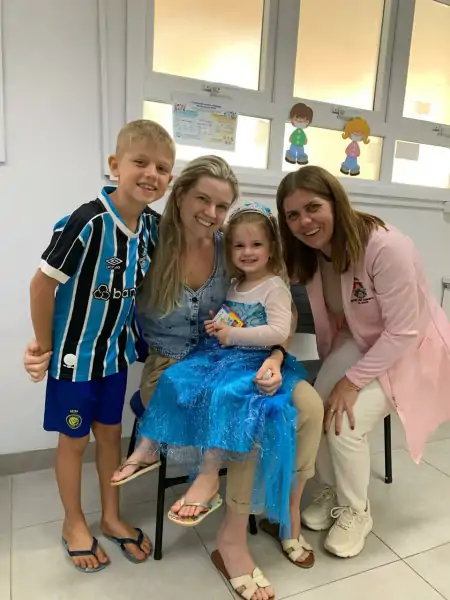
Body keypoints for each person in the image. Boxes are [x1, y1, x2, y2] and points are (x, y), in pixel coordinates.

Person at [25, 155, 324, 600]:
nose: (211, 213)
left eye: (221, 206)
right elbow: (88, 291)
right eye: (203, 199)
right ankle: (232, 540)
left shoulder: (231, 246)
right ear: (180, 194)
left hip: (242, 359)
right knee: (250, 416)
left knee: (311, 408)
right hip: (170, 370)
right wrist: (42, 345)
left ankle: (287, 512)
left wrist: (278, 356)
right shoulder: (148, 241)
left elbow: (278, 307)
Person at [276, 165, 450, 559]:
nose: (304, 221)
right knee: (315, 410)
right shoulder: (309, 253)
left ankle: (357, 511)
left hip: (409, 348)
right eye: (293, 215)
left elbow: (403, 331)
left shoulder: (386, 247)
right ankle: (331, 489)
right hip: (360, 339)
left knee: (344, 426)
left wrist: (351, 382)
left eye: (313, 207)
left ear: (335, 203)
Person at [26, 119, 175, 572]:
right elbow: (41, 285)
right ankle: (73, 522)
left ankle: (111, 516)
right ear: (115, 165)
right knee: (73, 441)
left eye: (162, 168)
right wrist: (43, 347)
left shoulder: (153, 227)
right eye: (140, 162)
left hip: (115, 357)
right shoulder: (87, 222)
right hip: (74, 360)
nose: (151, 174)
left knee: (111, 437)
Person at [117, 202, 307, 539]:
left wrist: (232, 334)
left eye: (257, 244)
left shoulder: (274, 286)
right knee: (173, 377)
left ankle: (209, 475)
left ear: (271, 248)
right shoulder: (234, 283)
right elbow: (231, 319)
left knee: (222, 394)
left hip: (251, 362)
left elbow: (278, 332)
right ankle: (149, 445)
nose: (247, 252)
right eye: (239, 245)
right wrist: (217, 325)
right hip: (221, 355)